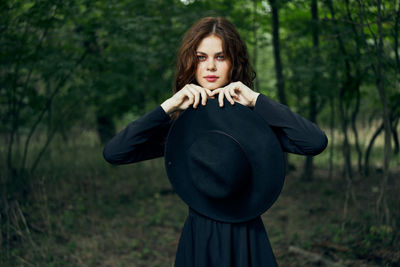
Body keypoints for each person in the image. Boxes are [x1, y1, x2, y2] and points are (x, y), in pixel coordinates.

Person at [103, 16, 328, 267]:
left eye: (220, 57)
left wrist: (256, 100)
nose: (210, 66)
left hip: (247, 241)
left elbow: (314, 142)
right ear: (191, 62)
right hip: (200, 241)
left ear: (234, 62)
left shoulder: (254, 119)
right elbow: (115, 153)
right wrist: (169, 106)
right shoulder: (181, 123)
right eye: (201, 57)